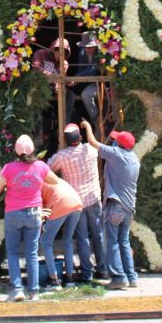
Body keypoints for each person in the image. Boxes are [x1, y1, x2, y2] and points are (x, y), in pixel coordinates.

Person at [0, 134, 60, 302]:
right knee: (32, 253)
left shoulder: (9, 168)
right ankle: (33, 292)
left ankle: (17, 290)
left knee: (13, 252)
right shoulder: (40, 166)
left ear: (16, 151)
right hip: (34, 213)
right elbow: (55, 181)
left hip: (13, 213)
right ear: (33, 149)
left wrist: (8, 185)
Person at [81, 120, 140, 290]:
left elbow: (92, 142)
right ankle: (131, 277)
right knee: (124, 242)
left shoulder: (116, 154)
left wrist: (87, 126)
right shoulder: (134, 159)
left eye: (116, 140)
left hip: (115, 207)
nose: (113, 141)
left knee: (112, 243)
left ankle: (118, 277)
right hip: (129, 208)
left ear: (119, 145)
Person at [48, 123, 107, 282]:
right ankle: (103, 269)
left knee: (82, 238)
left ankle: (87, 273)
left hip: (77, 203)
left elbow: (46, 169)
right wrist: (88, 126)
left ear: (65, 140)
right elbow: (94, 142)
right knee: (98, 234)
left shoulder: (62, 156)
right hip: (93, 199)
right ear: (80, 137)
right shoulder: (90, 149)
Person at [40, 175, 82, 290]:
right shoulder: (53, 177)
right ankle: (70, 278)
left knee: (45, 241)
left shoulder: (36, 181)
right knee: (67, 240)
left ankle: (54, 280)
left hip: (60, 203)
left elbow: (41, 210)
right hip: (76, 203)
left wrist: (40, 227)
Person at [32, 37, 76, 124]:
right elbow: (36, 68)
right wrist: (54, 77)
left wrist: (68, 81)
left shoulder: (64, 63)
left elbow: (62, 77)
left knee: (70, 95)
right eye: (59, 52)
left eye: (64, 54)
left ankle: (64, 125)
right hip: (40, 86)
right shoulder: (41, 54)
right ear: (53, 49)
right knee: (38, 95)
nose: (61, 56)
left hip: (54, 88)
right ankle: (37, 127)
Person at [75, 32, 101, 124]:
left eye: (90, 47)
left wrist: (77, 77)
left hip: (101, 83)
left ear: (95, 46)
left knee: (86, 94)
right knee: (76, 91)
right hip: (88, 82)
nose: (87, 49)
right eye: (85, 47)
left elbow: (93, 69)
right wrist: (75, 80)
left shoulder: (101, 53)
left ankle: (96, 121)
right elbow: (81, 68)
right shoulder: (82, 53)